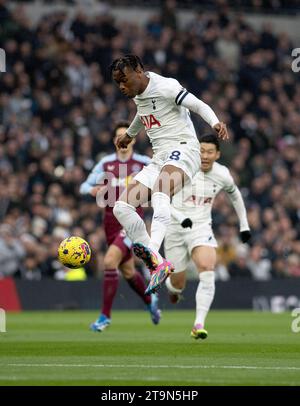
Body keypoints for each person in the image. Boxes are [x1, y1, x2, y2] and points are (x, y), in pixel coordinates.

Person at [111, 54, 229, 295]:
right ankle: (156, 262)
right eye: (117, 83)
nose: (121, 86)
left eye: (124, 80)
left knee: (161, 190)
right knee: (121, 206)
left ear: (139, 70)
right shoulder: (139, 95)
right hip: (160, 158)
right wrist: (130, 135)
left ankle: (154, 252)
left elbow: (197, 105)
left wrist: (215, 122)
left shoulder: (166, 86)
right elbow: (143, 115)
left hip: (184, 148)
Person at [164, 134, 251, 339]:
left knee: (207, 267)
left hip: (201, 227)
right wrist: (179, 216)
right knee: (178, 283)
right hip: (175, 228)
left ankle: (198, 324)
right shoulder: (181, 167)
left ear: (217, 154)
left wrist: (244, 225)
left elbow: (235, 194)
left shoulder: (222, 174)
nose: (204, 155)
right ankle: (173, 289)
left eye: (209, 152)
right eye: (201, 150)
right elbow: (161, 197)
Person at [80, 121, 161, 332]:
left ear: (133, 139)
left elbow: (163, 174)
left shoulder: (143, 162)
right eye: (118, 136)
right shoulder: (106, 163)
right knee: (127, 271)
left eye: (126, 135)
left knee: (109, 261)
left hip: (131, 222)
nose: (123, 139)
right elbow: (84, 185)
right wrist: (92, 190)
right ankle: (150, 301)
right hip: (109, 223)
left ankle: (104, 317)